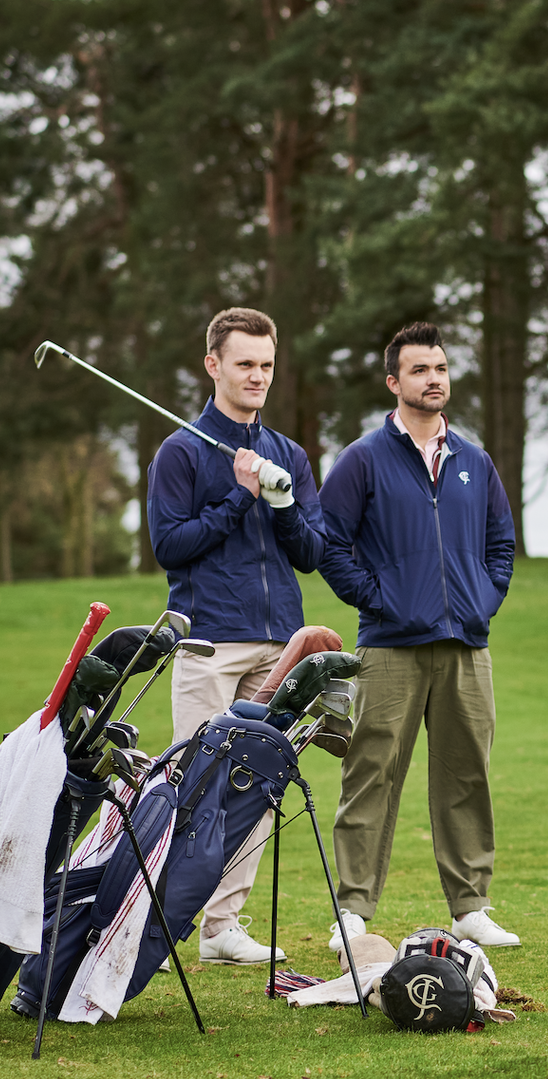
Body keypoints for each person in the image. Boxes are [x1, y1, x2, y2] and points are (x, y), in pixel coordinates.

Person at [317, 321, 520, 950]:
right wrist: (380, 599)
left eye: (439, 368)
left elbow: (501, 546)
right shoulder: (362, 459)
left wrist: (481, 601)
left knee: (467, 777)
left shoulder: (473, 461)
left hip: (466, 647)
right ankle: (352, 911)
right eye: (419, 370)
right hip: (389, 648)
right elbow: (330, 545)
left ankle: (471, 907)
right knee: (371, 774)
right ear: (394, 382)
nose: (433, 379)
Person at [146, 306, 325, 966]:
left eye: (267, 364)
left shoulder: (291, 455)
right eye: (245, 363)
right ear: (213, 364)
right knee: (191, 783)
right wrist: (240, 498)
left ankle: (221, 926)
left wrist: (280, 504)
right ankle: (156, 924)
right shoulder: (182, 451)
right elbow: (171, 545)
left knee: (257, 784)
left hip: (276, 643)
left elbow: (309, 552)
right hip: (209, 641)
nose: (257, 375)